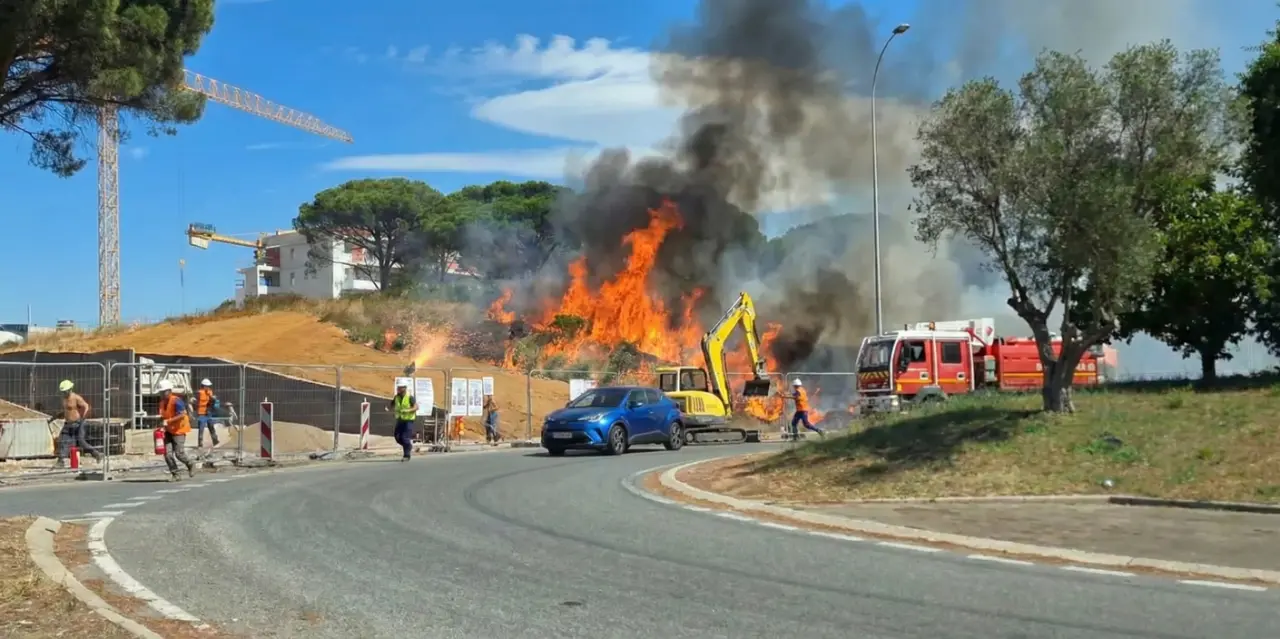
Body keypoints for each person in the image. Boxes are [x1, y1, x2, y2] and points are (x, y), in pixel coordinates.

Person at [48, 380, 103, 467]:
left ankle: (96, 454)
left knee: (81, 441)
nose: (63, 393)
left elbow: (86, 406)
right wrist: (54, 417)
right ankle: (61, 460)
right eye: (62, 392)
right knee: (63, 440)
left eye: (65, 391)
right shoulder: (64, 399)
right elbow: (66, 411)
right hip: (68, 424)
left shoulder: (76, 398)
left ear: (69, 390)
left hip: (77, 423)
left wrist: (83, 419)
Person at [157, 380, 196, 480]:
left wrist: (169, 421)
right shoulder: (162, 403)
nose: (161, 393)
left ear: (169, 391)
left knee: (179, 453)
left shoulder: (176, 401)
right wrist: (161, 423)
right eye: (160, 392)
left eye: (163, 391)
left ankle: (190, 464)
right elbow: (163, 416)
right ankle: (175, 474)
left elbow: (182, 414)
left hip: (179, 430)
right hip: (169, 430)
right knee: (167, 454)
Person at [386, 381, 417, 461]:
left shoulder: (410, 397)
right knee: (397, 437)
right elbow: (392, 404)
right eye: (398, 387)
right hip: (399, 420)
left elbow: (416, 407)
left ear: (404, 388)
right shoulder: (396, 397)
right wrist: (389, 408)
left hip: (408, 420)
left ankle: (406, 455)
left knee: (404, 437)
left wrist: (408, 410)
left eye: (400, 388)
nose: (398, 389)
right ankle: (408, 446)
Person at [195, 378, 220, 449]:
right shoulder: (199, 393)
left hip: (209, 413)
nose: (208, 387)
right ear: (203, 386)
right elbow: (195, 402)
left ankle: (216, 442)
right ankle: (200, 444)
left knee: (211, 427)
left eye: (209, 386)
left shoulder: (210, 392)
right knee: (201, 429)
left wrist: (212, 398)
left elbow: (212, 401)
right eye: (207, 386)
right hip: (201, 413)